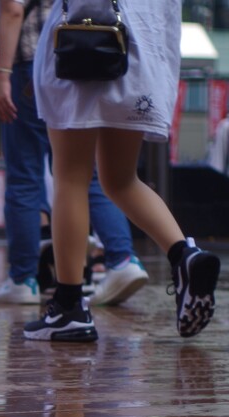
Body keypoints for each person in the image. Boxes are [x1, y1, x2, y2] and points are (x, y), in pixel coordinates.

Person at [25, 0, 221, 341]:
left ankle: (69, 305)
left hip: (81, 42)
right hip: (139, 53)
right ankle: (184, 255)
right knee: (121, 179)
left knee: (70, 176)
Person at [0, 0, 149, 308]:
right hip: (85, 53)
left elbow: (12, 8)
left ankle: (24, 278)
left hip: (36, 61)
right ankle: (121, 259)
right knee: (87, 173)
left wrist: (1, 73)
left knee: (26, 174)